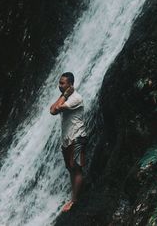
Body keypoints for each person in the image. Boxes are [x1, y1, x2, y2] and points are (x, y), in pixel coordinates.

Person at [49, 72, 88, 212]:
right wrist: (63, 95)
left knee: (76, 168)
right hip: (67, 139)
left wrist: (64, 96)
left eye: (62, 83)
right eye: (59, 83)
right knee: (70, 168)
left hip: (77, 137)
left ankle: (74, 200)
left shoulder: (76, 98)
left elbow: (58, 108)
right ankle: (75, 195)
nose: (59, 86)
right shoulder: (64, 96)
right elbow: (52, 111)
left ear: (70, 85)